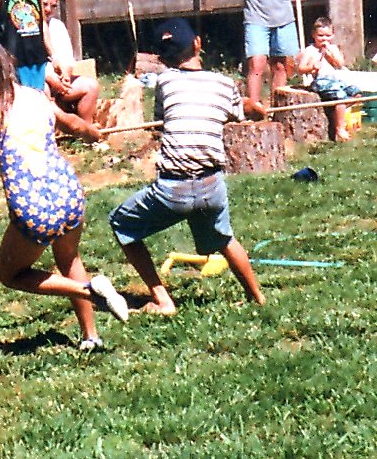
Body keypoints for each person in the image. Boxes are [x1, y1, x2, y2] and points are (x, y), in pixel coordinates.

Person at [0, 37, 130, 350]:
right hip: (67, 190)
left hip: (33, 204)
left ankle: (89, 291)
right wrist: (93, 132)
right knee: (69, 259)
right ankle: (91, 336)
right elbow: (74, 126)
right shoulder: (36, 97)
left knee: (10, 274)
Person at [109, 18, 264, 313]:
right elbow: (241, 112)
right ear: (198, 43)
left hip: (173, 190)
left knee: (121, 223)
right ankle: (258, 297)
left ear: (164, 57)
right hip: (211, 187)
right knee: (225, 239)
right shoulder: (224, 83)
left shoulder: (165, 82)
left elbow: (160, 122)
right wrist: (253, 108)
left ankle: (162, 299)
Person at [294, 15, 377, 141]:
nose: (324, 39)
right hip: (320, 81)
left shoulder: (333, 48)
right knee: (340, 96)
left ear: (333, 35)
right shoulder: (310, 50)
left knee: (356, 93)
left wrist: (331, 55)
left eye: (328, 36)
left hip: (335, 80)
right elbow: (300, 68)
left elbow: (340, 64)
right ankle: (340, 128)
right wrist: (311, 67)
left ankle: (335, 111)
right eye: (320, 36)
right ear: (314, 34)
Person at [41, 0, 100, 125]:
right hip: (41, 81)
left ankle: (86, 128)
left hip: (60, 81)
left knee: (91, 86)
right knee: (44, 90)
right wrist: (53, 81)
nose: (48, 9)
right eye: (44, 4)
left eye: (53, 6)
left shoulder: (57, 26)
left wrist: (66, 77)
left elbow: (67, 59)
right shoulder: (29, 28)